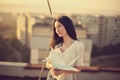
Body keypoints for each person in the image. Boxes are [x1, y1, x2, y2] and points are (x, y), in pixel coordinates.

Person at [46, 15, 85, 80]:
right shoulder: (56, 45)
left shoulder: (78, 46)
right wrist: (52, 67)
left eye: (59, 26)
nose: (57, 30)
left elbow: (78, 69)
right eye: (55, 28)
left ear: (67, 26)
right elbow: (48, 63)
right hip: (51, 78)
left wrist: (62, 70)